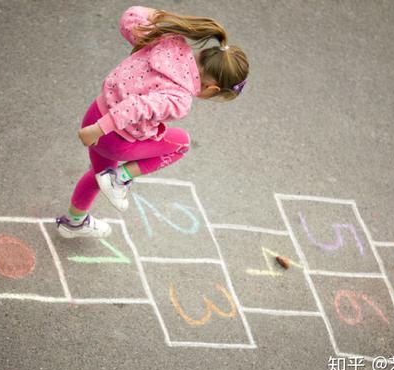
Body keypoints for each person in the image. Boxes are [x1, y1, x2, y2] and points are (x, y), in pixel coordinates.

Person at [56, 6, 249, 238]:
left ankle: (74, 223)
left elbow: (130, 19)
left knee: (99, 176)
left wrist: (156, 15)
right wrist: (99, 130)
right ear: (212, 88)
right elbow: (137, 106)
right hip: (112, 136)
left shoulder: (170, 42)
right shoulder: (180, 99)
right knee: (182, 143)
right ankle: (121, 179)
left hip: (95, 113)